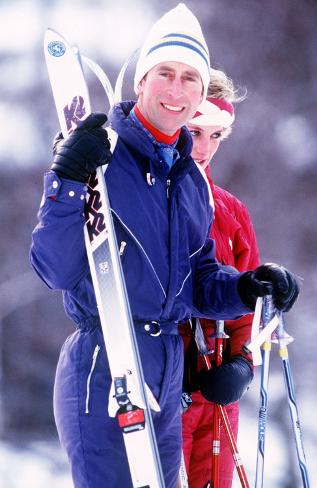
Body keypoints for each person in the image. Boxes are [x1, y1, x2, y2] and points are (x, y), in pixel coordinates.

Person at [30, 4, 299, 488]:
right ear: (141, 82)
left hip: (166, 369)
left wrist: (248, 286)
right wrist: (67, 179)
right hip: (105, 356)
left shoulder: (189, 181)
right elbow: (54, 268)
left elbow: (199, 281)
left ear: (201, 92)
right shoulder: (101, 154)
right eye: (164, 74)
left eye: (189, 79)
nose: (177, 90)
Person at [181, 69, 260, 487]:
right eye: (194, 132)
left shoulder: (231, 210)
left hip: (216, 398)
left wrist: (243, 365)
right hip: (165, 389)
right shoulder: (149, 197)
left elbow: (250, 310)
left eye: (216, 136)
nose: (204, 148)